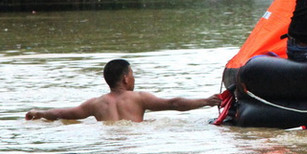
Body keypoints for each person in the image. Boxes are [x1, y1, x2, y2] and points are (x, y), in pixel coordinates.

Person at [25, 59, 219, 123]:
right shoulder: (139, 98)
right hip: (132, 141)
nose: (134, 78)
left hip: (109, 145)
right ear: (126, 78)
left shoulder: (95, 104)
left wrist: (39, 113)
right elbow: (174, 104)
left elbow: (62, 114)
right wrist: (206, 101)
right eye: (132, 74)